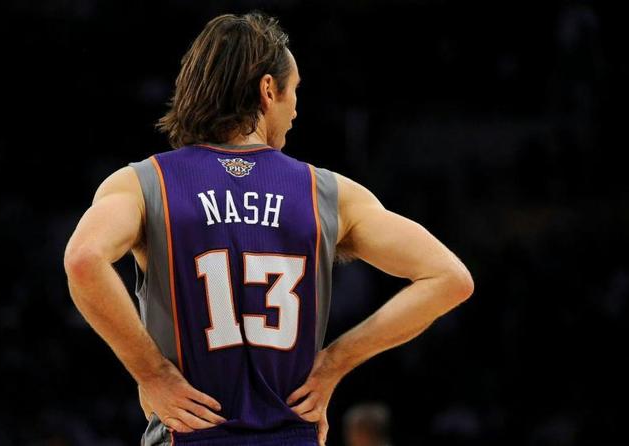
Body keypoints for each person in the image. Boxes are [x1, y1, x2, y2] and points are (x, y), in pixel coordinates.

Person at [63, 11, 474, 446]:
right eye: (293, 90)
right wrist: (336, 362)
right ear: (267, 90)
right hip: (289, 434)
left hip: (190, 434)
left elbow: (84, 260)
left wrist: (153, 373)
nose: (295, 108)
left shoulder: (146, 184)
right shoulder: (329, 193)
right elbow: (450, 278)